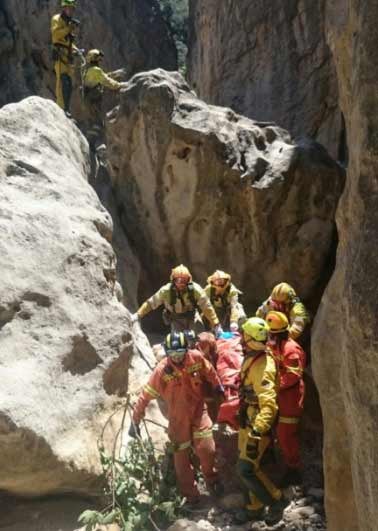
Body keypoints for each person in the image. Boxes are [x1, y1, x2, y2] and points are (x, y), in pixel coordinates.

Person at [130, 332, 225, 503]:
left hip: (198, 411)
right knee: (181, 457)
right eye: (173, 354)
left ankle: (212, 480)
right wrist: (135, 421)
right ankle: (190, 494)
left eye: (180, 353)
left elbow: (210, 371)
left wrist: (218, 387)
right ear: (167, 353)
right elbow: (145, 396)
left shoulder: (195, 358)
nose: (177, 358)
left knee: (207, 449)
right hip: (177, 418)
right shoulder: (161, 371)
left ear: (186, 350)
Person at [236, 317, 286, 525]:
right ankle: (253, 508)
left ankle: (276, 502)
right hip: (247, 419)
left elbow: (269, 405)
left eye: (243, 335)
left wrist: (257, 432)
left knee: (246, 468)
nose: (241, 338)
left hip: (257, 424)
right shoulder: (253, 357)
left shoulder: (263, 366)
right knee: (246, 467)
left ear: (249, 339)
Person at [265, 311, 306, 486]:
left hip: (291, 395)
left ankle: (293, 469)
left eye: (270, 334)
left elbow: (293, 376)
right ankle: (271, 457)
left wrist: (272, 385)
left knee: (285, 434)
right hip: (277, 393)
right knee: (269, 425)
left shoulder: (291, 349)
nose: (268, 336)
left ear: (278, 333)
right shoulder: (274, 346)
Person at [133, 265, 222, 335]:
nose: (181, 283)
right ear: (173, 280)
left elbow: (207, 307)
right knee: (179, 343)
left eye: (184, 280)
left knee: (200, 340)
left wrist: (216, 324)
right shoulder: (166, 291)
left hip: (193, 318)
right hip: (176, 320)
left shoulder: (195, 289)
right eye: (178, 280)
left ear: (189, 280)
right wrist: (138, 314)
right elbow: (151, 303)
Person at [83, 49, 124, 147]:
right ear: (94, 59)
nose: (99, 62)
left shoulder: (88, 70)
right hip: (93, 100)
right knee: (97, 124)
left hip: (89, 99)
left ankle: (90, 145)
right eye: (98, 59)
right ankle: (91, 145)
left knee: (93, 122)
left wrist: (114, 74)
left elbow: (103, 76)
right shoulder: (95, 70)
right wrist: (119, 85)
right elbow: (106, 81)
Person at [51, 0, 80, 115]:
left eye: (72, 9)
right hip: (60, 56)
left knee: (68, 84)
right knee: (63, 82)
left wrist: (76, 50)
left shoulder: (68, 22)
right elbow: (56, 35)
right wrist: (69, 28)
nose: (71, 11)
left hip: (67, 57)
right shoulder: (56, 19)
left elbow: (67, 42)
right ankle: (61, 108)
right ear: (64, 8)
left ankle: (66, 109)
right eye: (69, 8)